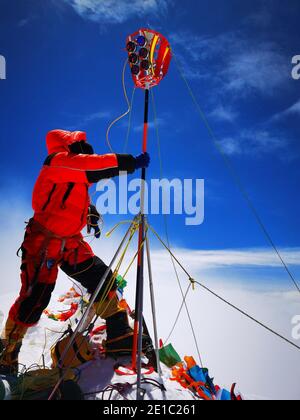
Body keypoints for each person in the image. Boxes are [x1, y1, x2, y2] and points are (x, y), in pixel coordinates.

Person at [0, 129, 150, 375]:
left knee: (102, 278)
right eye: (81, 145)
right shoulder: (57, 162)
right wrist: (129, 162)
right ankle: (8, 353)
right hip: (43, 242)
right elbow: (92, 167)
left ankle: (118, 334)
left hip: (70, 241)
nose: (86, 148)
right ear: (69, 146)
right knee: (34, 297)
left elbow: (73, 193)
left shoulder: (74, 172)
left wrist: (88, 212)